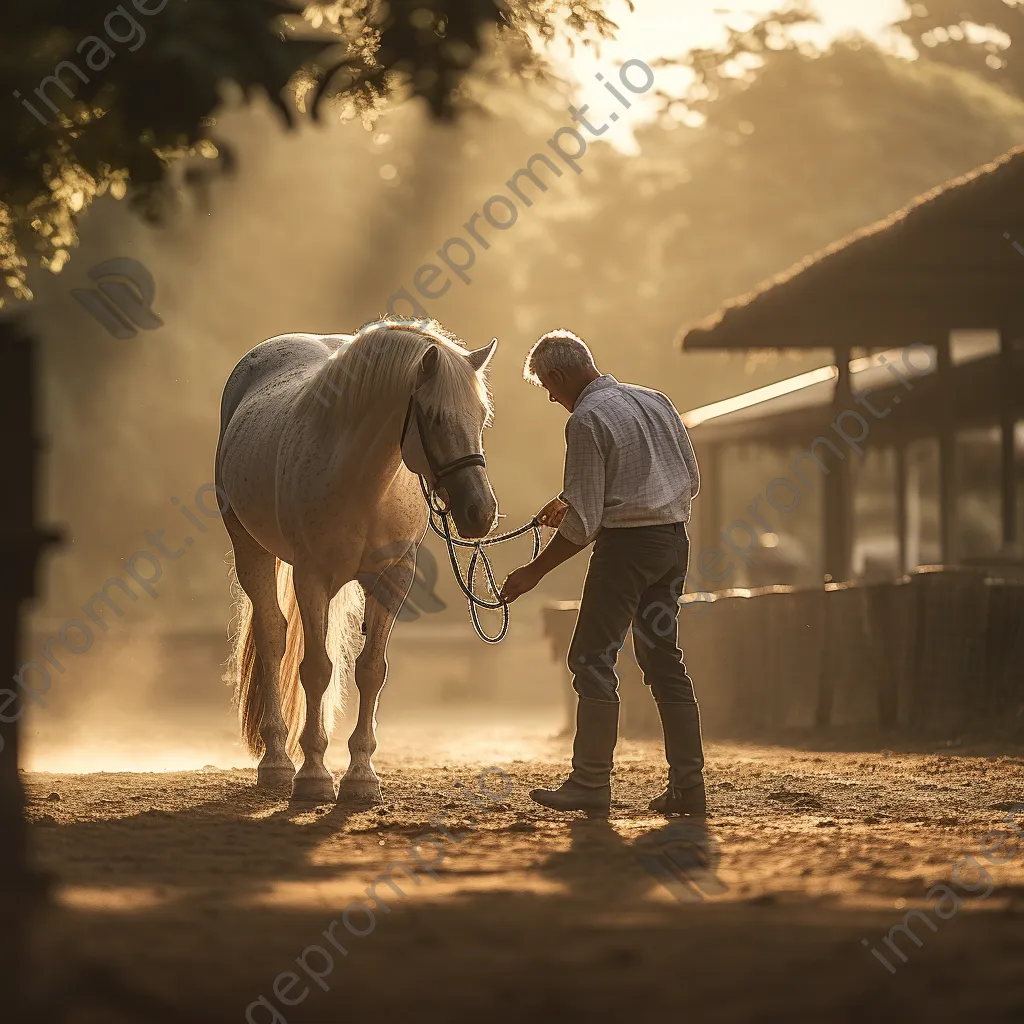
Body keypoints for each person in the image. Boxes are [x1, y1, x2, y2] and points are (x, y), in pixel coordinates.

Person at [500, 329, 705, 816]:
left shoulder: (586, 421)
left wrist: (534, 571)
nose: (552, 398)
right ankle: (688, 787)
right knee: (663, 661)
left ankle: (591, 782)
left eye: (549, 389)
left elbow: (587, 523)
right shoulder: (655, 401)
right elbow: (689, 481)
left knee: (591, 659)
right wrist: (576, 502)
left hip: (626, 552)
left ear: (558, 375)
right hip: (672, 543)